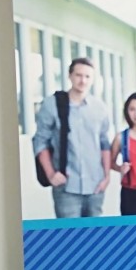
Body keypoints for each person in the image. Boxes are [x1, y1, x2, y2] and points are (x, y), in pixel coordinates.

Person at [33, 57, 112, 218]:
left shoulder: (100, 108)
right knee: (69, 233)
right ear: (70, 76)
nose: (83, 81)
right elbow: (40, 141)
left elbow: (104, 144)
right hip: (66, 187)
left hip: (95, 186)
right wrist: (50, 174)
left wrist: (107, 177)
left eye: (88, 76)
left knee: (95, 232)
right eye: (78, 75)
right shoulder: (52, 104)